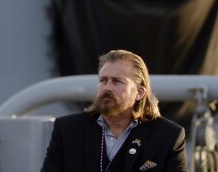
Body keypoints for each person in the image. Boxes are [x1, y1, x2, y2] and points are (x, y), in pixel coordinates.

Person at [41, 49, 188, 172]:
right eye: (103, 80)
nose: (107, 87)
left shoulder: (168, 136)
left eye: (117, 81)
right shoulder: (68, 130)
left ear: (139, 93)